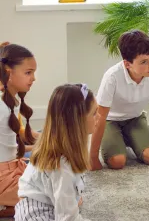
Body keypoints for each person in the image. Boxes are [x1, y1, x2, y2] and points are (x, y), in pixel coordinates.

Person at [90, 30, 149, 171]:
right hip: (110, 121)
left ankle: (128, 138)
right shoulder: (112, 77)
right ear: (127, 64)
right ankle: (117, 140)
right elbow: (100, 117)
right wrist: (93, 157)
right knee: (117, 162)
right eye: (144, 62)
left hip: (135, 119)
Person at [15, 84, 97, 220]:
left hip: (38, 203)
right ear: (78, 121)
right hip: (37, 214)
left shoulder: (67, 152)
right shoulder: (62, 167)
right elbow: (68, 218)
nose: (98, 117)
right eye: (94, 113)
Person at [0, 44, 36, 218]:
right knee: (64, 199)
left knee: (64, 189)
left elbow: (12, 147)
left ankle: (9, 205)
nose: (34, 78)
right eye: (28, 73)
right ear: (8, 73)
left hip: (14, 167)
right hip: (3, 177)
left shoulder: (12, 102)